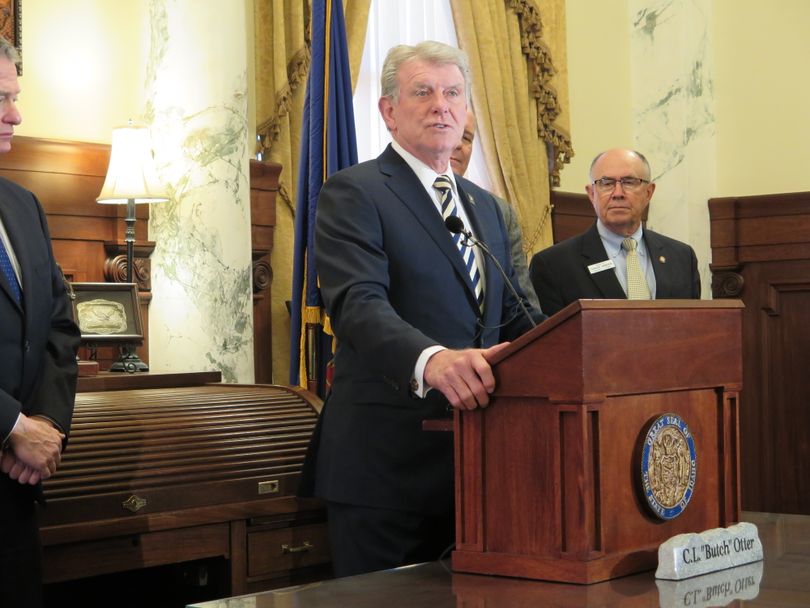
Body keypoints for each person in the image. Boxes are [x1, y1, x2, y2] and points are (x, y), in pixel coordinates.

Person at [302, 41, 544, 577]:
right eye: (423, 92)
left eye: (453, 92)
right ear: (389, 111)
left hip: (480, 470)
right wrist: (433, 360)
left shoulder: (491, 210)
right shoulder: (355, 192)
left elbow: (523, 320)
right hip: (386, 471)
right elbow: (359, 305)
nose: (442, 105)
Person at [0, 37, 81, 607]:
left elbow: (58, 324)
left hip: (14, 491)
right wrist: (9, 426)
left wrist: (45, 424)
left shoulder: (23, 204)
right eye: (1, 98)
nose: (16, 114)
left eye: (15, 96)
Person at [529, 148, 700, 315]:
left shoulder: (682, 258)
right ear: (591, 194)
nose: (618, 193)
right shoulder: (553, 265)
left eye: (629, 182)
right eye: (606, 183)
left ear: (649, 192)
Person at [449, 109, 541, 311]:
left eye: (466, 138)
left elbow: (522, 300)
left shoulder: (499, 210)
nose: (458, 146)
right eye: (451, 133)